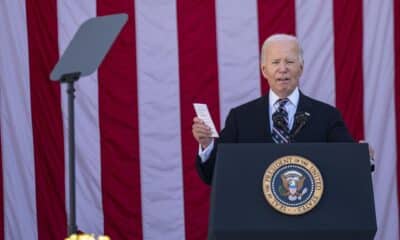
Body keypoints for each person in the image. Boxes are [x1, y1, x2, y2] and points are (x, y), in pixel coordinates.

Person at [192, 34, 373, 185]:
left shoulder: (326, 116)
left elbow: (348, 165)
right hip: (256, 220)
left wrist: (362, 156)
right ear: (264, 70)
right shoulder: (241, 118)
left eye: (290, 62)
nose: (283, 69)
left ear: (301, 68)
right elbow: (214, 174)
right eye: (275, 62)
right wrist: (207, 146)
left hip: (309, 220)